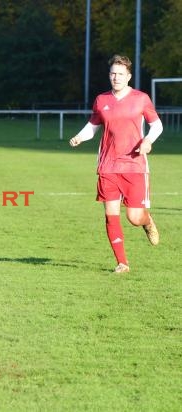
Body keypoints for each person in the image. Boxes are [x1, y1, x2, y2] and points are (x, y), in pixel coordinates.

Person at [69, 54, 163, 273]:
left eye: (120, 74)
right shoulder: (102, 100)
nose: (116, 77)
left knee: (134, 217)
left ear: (128, 76)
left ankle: (147, 222)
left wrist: (147, 141)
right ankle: (122, 263)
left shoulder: (141, 99)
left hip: (134, 166)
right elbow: (92, 126)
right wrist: (79, 137)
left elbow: (157, 126)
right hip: (108, 166)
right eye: (113, 73)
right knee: (111, 214)